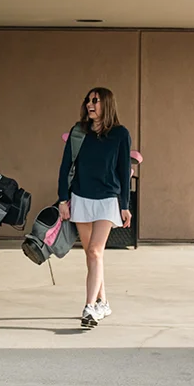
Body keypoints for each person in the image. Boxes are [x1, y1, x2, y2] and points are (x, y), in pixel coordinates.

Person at [57, 87, 133, 329]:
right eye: (88, 101)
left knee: (95, 252)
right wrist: (62, 199)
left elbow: (123, 170)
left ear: (106, 104)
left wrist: (125, 205)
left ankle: (90, 307)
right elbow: (65, 166)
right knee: (91, 254)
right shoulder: (79, 132)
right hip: (81, 198)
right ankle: (104, 301)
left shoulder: (121, 134)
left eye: (96, 101)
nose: (90, 105)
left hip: (108, 200)